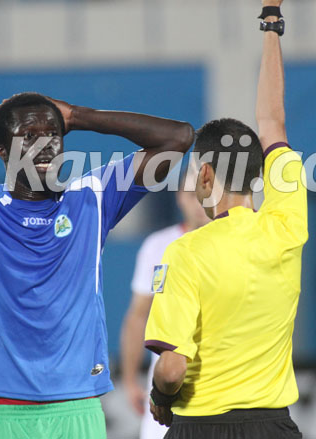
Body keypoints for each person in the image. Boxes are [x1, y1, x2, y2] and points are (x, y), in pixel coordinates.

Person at [0, 92, 194, 439]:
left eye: (54, 134)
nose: (44, 143)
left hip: (76, 409)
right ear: (0, 149)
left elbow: (176, 138)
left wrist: (78, 117)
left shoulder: (93, 198)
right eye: (28, 136)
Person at [143, 0, 306, 439]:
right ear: (260, 173)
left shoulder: (186, 252)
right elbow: (272, 121)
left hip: (202, 427)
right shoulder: (287, 224)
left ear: (208, 175)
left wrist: (159, 398)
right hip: (274, 427)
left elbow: (172, 369)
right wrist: (271, 14)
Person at [119, 172, 209, 439]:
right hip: (166, 385)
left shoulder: (237, 244)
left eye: (204, 195)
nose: (199, 204)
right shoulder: (158, 245)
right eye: (192, 195)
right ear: (180, 198)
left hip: (217, 379)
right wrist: (130, 377)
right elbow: (138, 315)